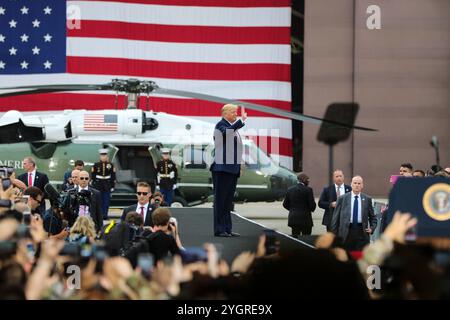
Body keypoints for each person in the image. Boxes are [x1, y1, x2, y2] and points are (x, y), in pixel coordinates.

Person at [210, 104, 247, 237]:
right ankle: (219, 229)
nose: (235, 114)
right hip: (222, 169)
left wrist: (239, 166)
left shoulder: (232, 128)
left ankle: (227, 228)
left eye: (236, 112)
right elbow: (226, 133)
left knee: (227, 201)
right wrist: (241, 122)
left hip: (231, 169)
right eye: (233, 112)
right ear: (225, 113)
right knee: (220, 201)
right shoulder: (220, 125)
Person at [331, 176, 377, 251]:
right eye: (355, 183)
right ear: (351, 184)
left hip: (361, 232)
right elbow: (335, 219)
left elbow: (373, 218)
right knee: (346, 257)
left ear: (362, 185)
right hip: (346, 232)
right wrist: (334, 235)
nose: (357, 185)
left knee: (360, 257)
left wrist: (372, 228)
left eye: (359, 183)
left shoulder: (367, 199)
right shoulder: (342, 198)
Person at [282, 172, 316, 237]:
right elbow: (312, 206)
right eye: (307, 180)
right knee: (306, 239)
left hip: (293, 218)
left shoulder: (290, 189)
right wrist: (311, 209)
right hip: (305, 219)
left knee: (295, 239)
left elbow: (285, 204)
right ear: (303, 180)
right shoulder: (308, 190)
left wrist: (292, 209)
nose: (308, 182)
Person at [91, 149, 116, 220]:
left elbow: (113, 176)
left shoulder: (110, 165)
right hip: (98, 184)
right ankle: (99, 215)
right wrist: (93, 184)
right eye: (102, 155)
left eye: (105, 155)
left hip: (107, 184)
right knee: (99, 200)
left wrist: (112, 186)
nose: (103, 157)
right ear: (100, 156)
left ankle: (105, 215)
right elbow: (93, 175)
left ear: (107, 156)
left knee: (106, 200)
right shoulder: (96, 165)